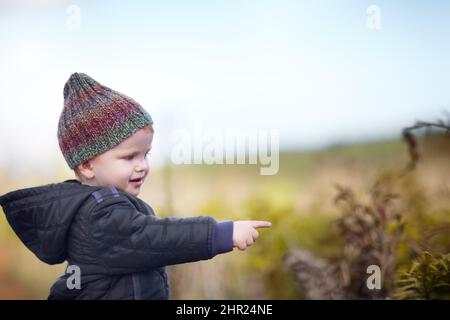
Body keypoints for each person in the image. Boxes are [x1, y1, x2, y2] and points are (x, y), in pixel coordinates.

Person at [0, 73, 271, 300]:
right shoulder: (97, 215)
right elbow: (155, 238)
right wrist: (222, 233)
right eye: (129, 157)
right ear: (86, 166)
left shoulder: (102, 206)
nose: (142, 165)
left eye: (146, 154)